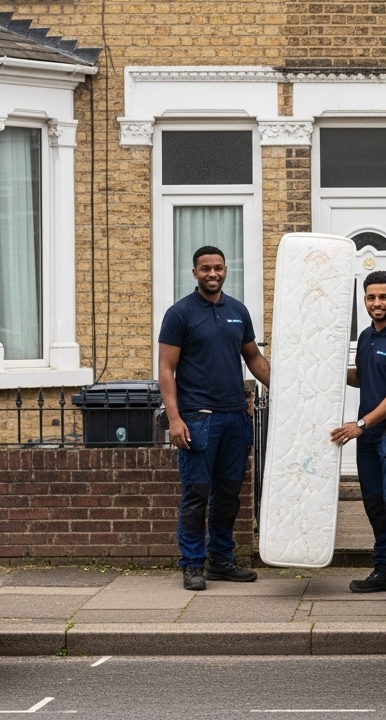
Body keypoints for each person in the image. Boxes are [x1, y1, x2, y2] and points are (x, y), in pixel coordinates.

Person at [159, 246, 271, 591]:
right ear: (194, 273)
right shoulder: (180, 313)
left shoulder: (238, 311)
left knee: (229, 493)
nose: (212, 274)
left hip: (235, 416)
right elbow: (166, 369)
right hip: (198, 418)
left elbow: (254, 358)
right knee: (197, 493)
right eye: (205, 268)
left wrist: (289, 389)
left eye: (218, 268)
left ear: (225, 270)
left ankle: (221, 560)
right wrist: (174, 419)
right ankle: (192, 564)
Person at [330, 270, 386, 603]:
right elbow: (364, 377)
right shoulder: (366, 337)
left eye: (383, 297)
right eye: (371, 297)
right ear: (364, 300)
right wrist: (327, 372)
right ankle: (383, 569)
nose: (377, 303)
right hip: (369, 438)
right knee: (374, 505)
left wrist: (361, 424)